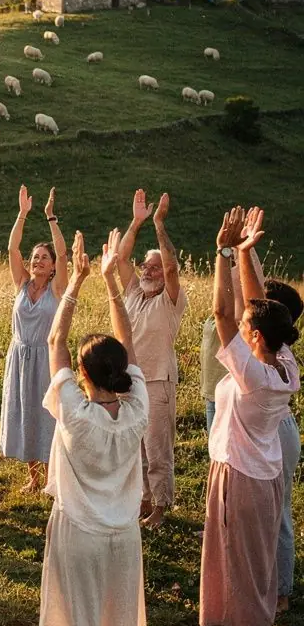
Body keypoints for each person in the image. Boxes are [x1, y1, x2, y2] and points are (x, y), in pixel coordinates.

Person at [36, 228, 151, 626]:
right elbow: (129, 349)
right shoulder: (137, 409)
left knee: (82, 624)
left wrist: (76, 282)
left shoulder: (76, 415)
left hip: (79, 532)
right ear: (121, 373)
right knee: (120, 624)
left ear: (82, 373)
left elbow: (53, 343)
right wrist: (110, 284)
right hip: (124, 534)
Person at [198, 207, 299, 626]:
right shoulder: (285, 363)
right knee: (259, 566)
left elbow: (223, 313)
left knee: (243, 567)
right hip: (265, 474)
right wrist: (245, 253)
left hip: (240, 476)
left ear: (256, 337)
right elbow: (260, 305)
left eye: (247, 325)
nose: (240, 324)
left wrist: (222, 253)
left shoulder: (253, 374)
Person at [117, 189, 188, 529]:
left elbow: (171, 267)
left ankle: (160, 505)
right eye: (145, 264)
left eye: (154, 266)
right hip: (129, 380)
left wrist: (158, 224)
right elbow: (121, 259)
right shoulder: (134, 291)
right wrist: (136, 222)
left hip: (158, 380)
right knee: (136, 446)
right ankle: (143, 499)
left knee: (158, 448)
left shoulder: (171, 299)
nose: (147, 269)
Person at [0, 185, 68, 490]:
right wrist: (22, 214)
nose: (38, 260)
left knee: (47, 415)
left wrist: (50, 217)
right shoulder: (22, 284)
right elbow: (12, 249)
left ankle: (53, 478)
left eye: (44, 257)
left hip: (45, 358)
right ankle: (34, 477)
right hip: (19, 356)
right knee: (25, 411)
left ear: (52, 267)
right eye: (35, 256)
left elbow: (63, 253)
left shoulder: (57, 289)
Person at [264, 279, 302, 613]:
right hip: (277, 430)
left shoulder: (278, 355)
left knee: (279, 513)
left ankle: (281, 592)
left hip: (278, 431)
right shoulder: (273, 349)